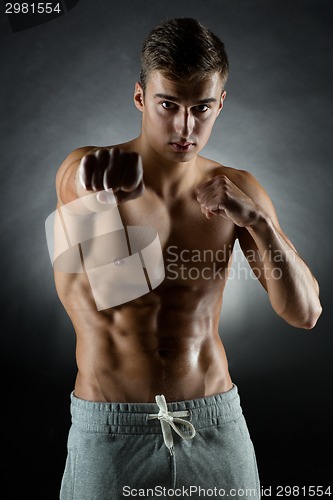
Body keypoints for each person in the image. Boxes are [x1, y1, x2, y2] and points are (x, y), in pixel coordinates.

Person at [53, 17, 322, 500]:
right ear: (140, 98)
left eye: (201, 108)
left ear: (221, 103)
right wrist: (100, 201)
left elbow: (304, 314)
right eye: (167, 105)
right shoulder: (89, 170)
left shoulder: (240, 189)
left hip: (214, 420)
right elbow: (114, 294)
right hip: (114, 431)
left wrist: (257, 221)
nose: (184, 127)